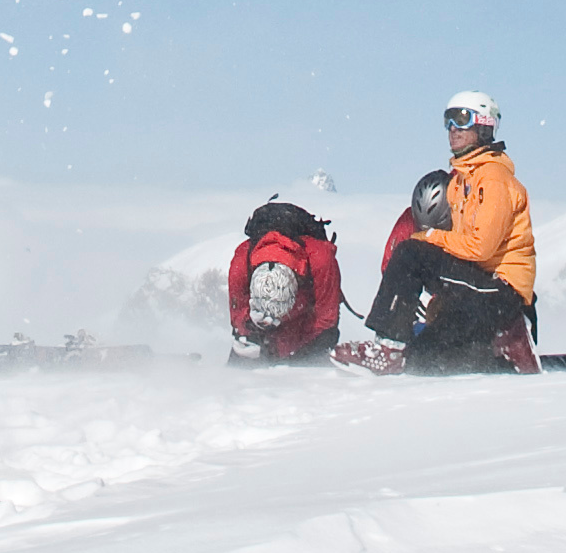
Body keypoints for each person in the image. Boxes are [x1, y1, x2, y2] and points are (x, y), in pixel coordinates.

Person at [360, 90, 538, 373]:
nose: (452, 129)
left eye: (461, 118)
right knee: (422, 361)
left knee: (411, 253)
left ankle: (387, 348)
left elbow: (481, 248)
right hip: (476, 290)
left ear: (483, 125)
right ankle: (508, 353)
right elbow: (459, 251)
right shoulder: (460, 182)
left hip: (501, 292)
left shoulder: (493, 178)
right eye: (448, 120)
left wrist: (429, 239)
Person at [226, 198, 344, 364]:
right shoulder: (241, 262)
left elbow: (326, 319)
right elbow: (237, 313)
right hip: (257, 335)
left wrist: (295, 354)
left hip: (306, 332)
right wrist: (249, 330)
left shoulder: (321, 259)